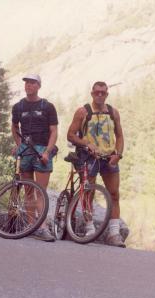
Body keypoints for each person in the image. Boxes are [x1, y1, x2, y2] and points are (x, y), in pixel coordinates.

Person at [67, 81, 125, 247]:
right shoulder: (83, 112)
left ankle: (114, 234)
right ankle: (89, 228)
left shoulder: (113, 112)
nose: (100, 95)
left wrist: (118, 154)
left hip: (109, 157)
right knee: (88, 193)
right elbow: (70, 135)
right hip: (88, 157)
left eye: (103, 93)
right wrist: (86, 143)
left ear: (107, 94)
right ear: (92, 93)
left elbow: (120, 136)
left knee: (114, 194)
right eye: (97, 92)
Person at [11, 74, 58, 242]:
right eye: (26, 83)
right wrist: (18, 145)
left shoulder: (48, 106)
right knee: (28, 190)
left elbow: (54, 131)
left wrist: (47, 151)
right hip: (26, 150)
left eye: (32, 83)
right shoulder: (18, 106)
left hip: (42, 148)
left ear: (39, 86)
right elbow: (15, 126)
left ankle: (42, 226)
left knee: (40, 191)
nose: (29, 85)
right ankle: (32, 226)